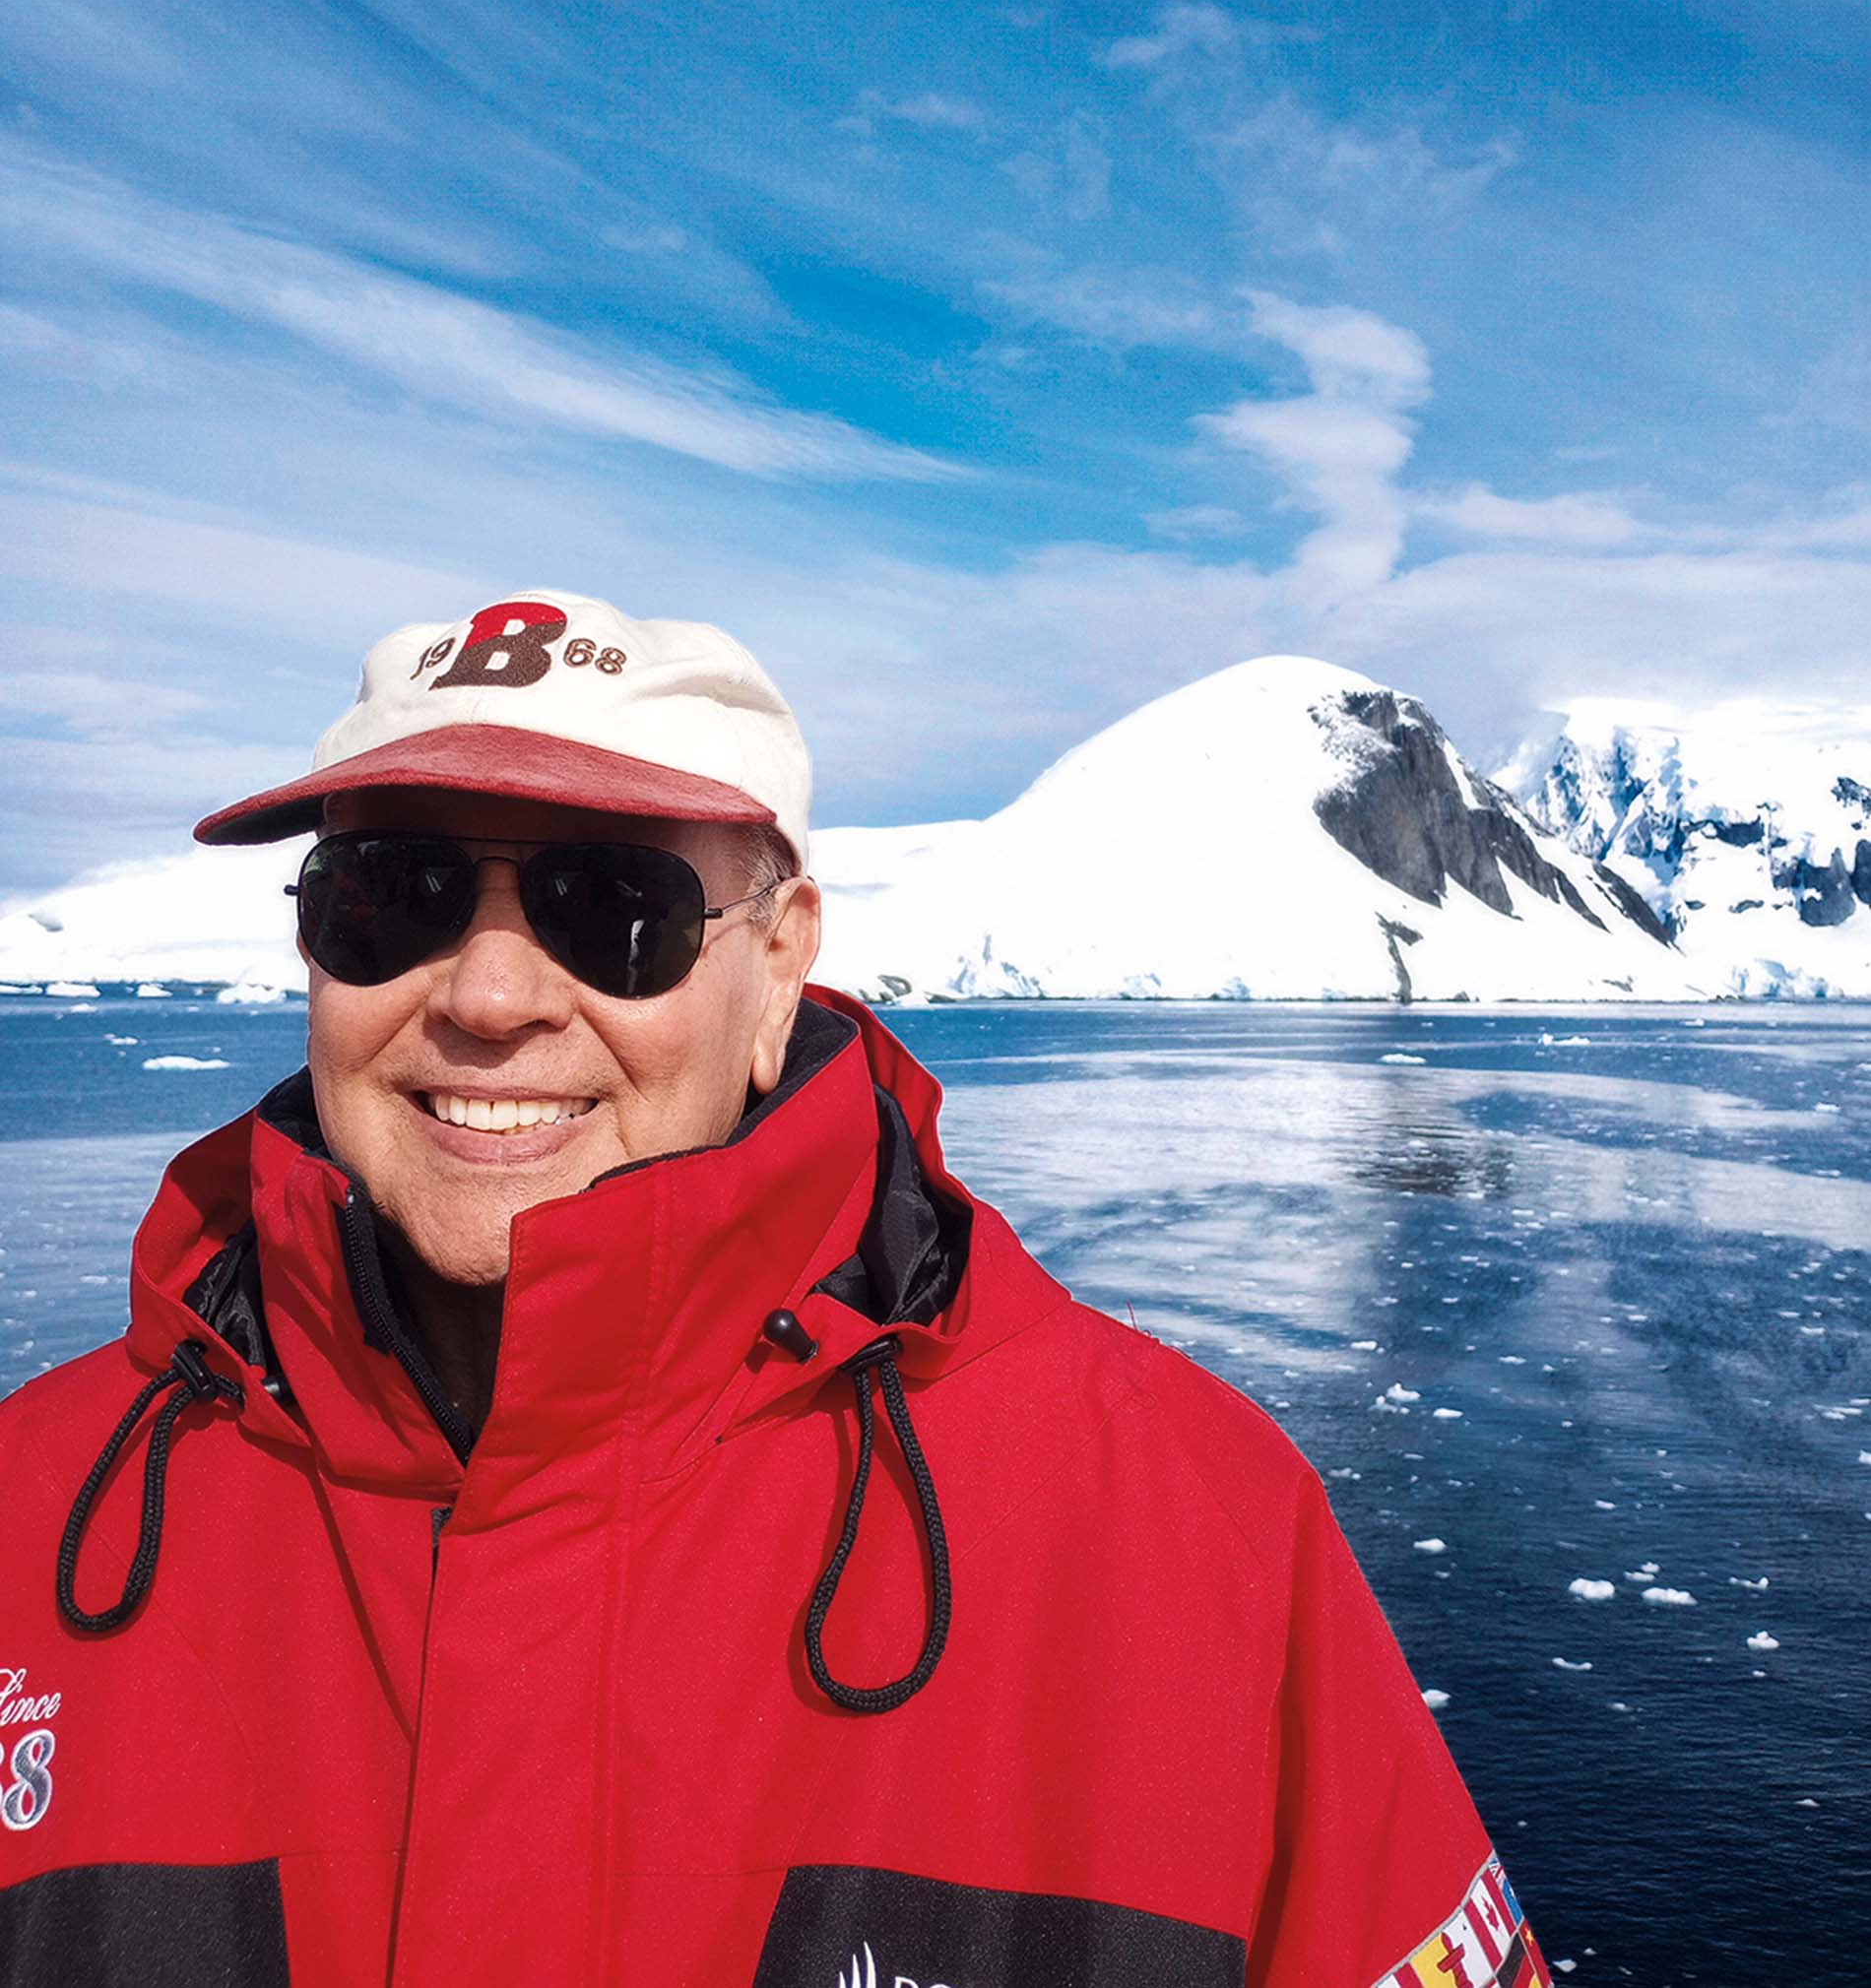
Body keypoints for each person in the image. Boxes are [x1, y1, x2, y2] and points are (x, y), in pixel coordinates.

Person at [0, 590, 1549, 1988]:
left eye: (613, 911)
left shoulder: (1195, 1536)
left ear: (779, 968)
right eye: (388, 896)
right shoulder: (30, 1508)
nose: (484, 997)